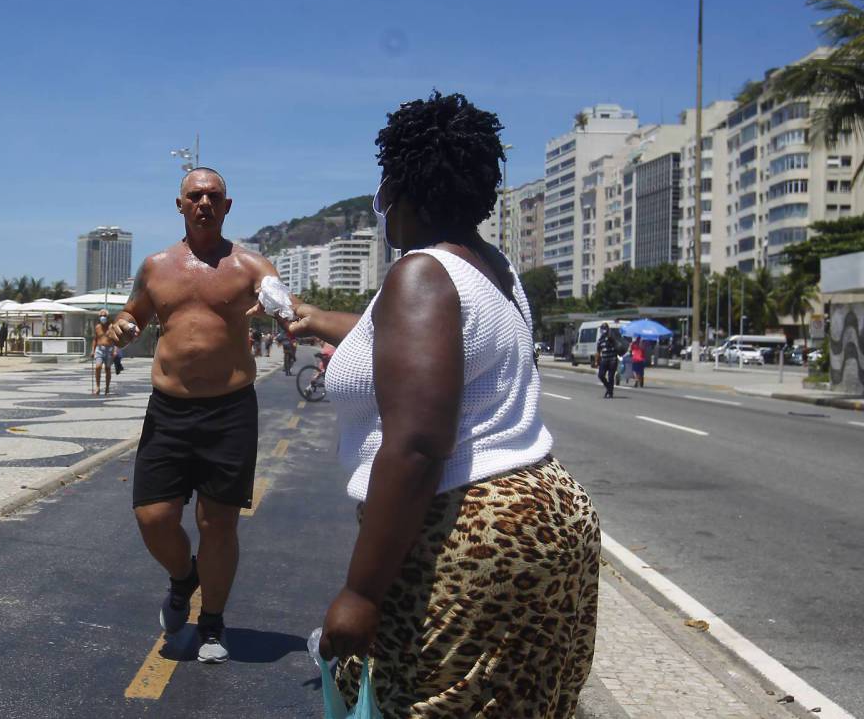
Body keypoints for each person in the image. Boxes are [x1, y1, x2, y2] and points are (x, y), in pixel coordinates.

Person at [292, 93, 599, 717]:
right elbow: (425, 343)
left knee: (414, 699)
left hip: (470, 529)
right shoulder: (494, 268)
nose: (382, 212)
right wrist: (324, 322)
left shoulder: (421, 274)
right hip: (549, 512)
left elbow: (418, 444)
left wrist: (360, 591)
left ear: (405, 190)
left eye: (383, 194)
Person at [108, 166, 285, 665]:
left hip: (230, 410)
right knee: (153, 516)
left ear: (227, 207)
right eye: (195, 195)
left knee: (218, 523)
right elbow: (133, 314)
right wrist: (123, 327)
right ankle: (185, 578)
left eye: (213, 196)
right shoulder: (155, 266)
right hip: (168, 409)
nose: (204, 203)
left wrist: (276, 306)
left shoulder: (251, 265)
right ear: (180, 204)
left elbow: (279, 300)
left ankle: (212, 622)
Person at [92, 308, 116, 395]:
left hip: (109, 349)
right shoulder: (97, 327)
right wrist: (93, 350)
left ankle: (107, 388)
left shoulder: (111, 327)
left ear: (108, 317)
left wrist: (115, 350)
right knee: (98, 367)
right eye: (101, 316)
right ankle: (97, 387)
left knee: (108, 369)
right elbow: (95, 339)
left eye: (104, 316)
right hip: (99, 349)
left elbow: (115, 340)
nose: (103, 317)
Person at [596, 322, 620, 399]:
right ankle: (609, 388)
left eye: (604, 329)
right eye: (602, 329)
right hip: (604, 359)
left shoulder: (612, 337)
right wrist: (597, 361)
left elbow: (618, 346)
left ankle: (610, 392)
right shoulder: (600, 340)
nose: (603, 330)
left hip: (612, 359)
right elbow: (598, 351)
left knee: (610, 376)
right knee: (601, 375)